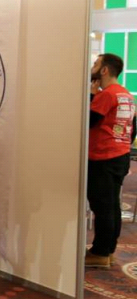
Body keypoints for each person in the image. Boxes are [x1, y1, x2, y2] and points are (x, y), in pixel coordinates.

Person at [86, 53, 136, 268]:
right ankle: (109, 250)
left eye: (96, 64)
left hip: (103, 157)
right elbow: (133, 128)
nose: (93, 68)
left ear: (104, 70)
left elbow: (89, 121)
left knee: (102, 207)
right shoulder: (126, 94)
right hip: (120, 155)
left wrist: (91, 96)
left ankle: (100, 252)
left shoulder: (106, 95)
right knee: (112, 205)